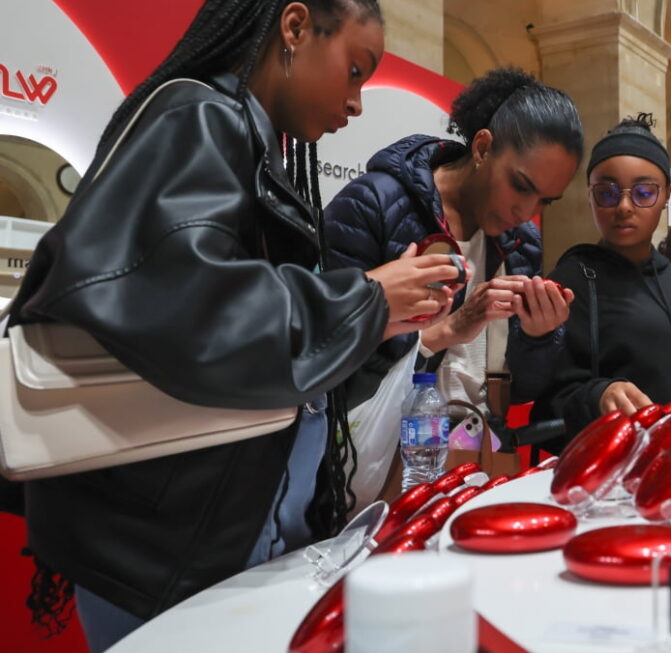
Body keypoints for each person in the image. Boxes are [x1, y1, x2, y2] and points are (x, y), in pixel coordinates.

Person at [1, 2, 463, 650]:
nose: (357, 102)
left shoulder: (241, 137)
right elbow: (194, 311)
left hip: (197, 538)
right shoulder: (200, 116)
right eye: (354, 70)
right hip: (167, 556)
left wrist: (376, 312)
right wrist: (364, 298)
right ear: (296, 27)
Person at [324, 67, 582, 431]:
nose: (527, 212)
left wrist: (540, 335)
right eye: (520, 185)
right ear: (482, 147)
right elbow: (324, 355)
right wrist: (447, 330)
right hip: (376, 454)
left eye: (546, 201)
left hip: (476, 459)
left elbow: (522, 390)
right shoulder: (374, 204)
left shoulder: (522, 243)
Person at [532, 114, 671, 447]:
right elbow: (546, 398)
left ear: (667, 195)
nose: (624, 207)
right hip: (614, 473)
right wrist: (599, 395)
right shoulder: (570, 283)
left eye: (644, 192)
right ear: (589, 194)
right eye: (607, 193)